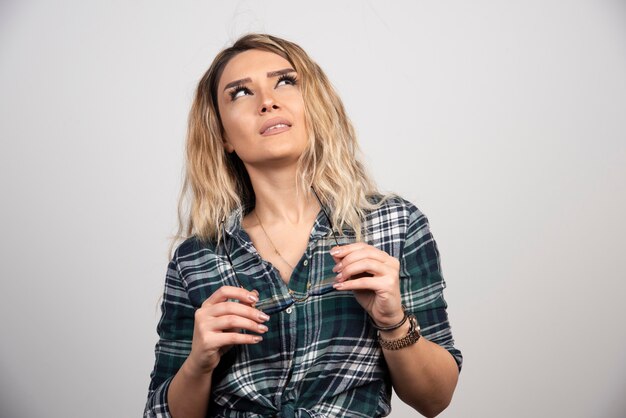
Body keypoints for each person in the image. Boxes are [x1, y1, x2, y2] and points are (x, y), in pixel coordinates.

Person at [144, 33, 462, 418]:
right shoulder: (195, 259)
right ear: (223, 135)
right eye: (240, 93)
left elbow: (435, 399)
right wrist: (199, 363)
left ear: (313, 105)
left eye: (285, 81)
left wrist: (392, 321)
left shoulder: (394, 225)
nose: (268, 101)